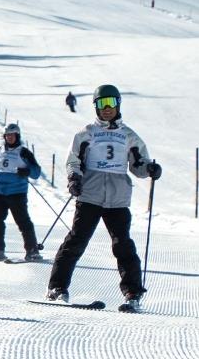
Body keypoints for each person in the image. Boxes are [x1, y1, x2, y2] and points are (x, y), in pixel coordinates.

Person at [47, 85, 160, 310]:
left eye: (111, 103)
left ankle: (133, 293)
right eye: (101, 103)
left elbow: (138, 165)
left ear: (118, 104)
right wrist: (74, 178)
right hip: (90, 195)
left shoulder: (129, 136)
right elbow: (73, 160)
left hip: (118, 198)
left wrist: (150, 169)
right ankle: (57, 288)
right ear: (96, 106)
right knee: (76, 241)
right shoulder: (86, 133)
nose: (107, 108)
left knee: (123, 245)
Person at [0, 123, 43, 261]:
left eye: (12, 135)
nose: (9, 138)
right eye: (7, 135)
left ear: (17, 136)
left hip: (17, 192)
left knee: (23, 222)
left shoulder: (24, 152)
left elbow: (36, 172)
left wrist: (27, 171)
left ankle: (32, 251)